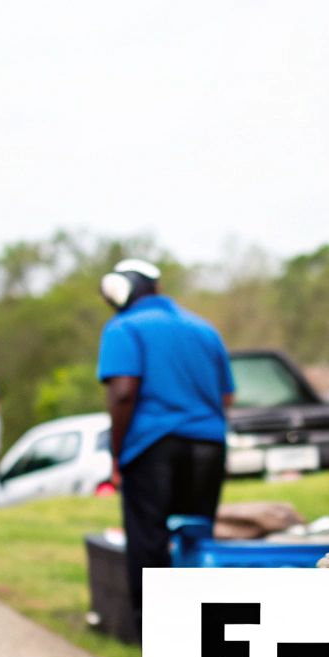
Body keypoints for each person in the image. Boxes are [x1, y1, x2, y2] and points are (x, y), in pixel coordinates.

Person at [97, 258, 234, 608]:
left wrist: (116, 454)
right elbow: (227, 396)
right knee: (196, 538)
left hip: (152, 448)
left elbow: (124, 392)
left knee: (148, 543)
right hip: (209, 447)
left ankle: (155, 637)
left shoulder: (123, 327)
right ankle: (201, 626)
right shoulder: (204, 329)